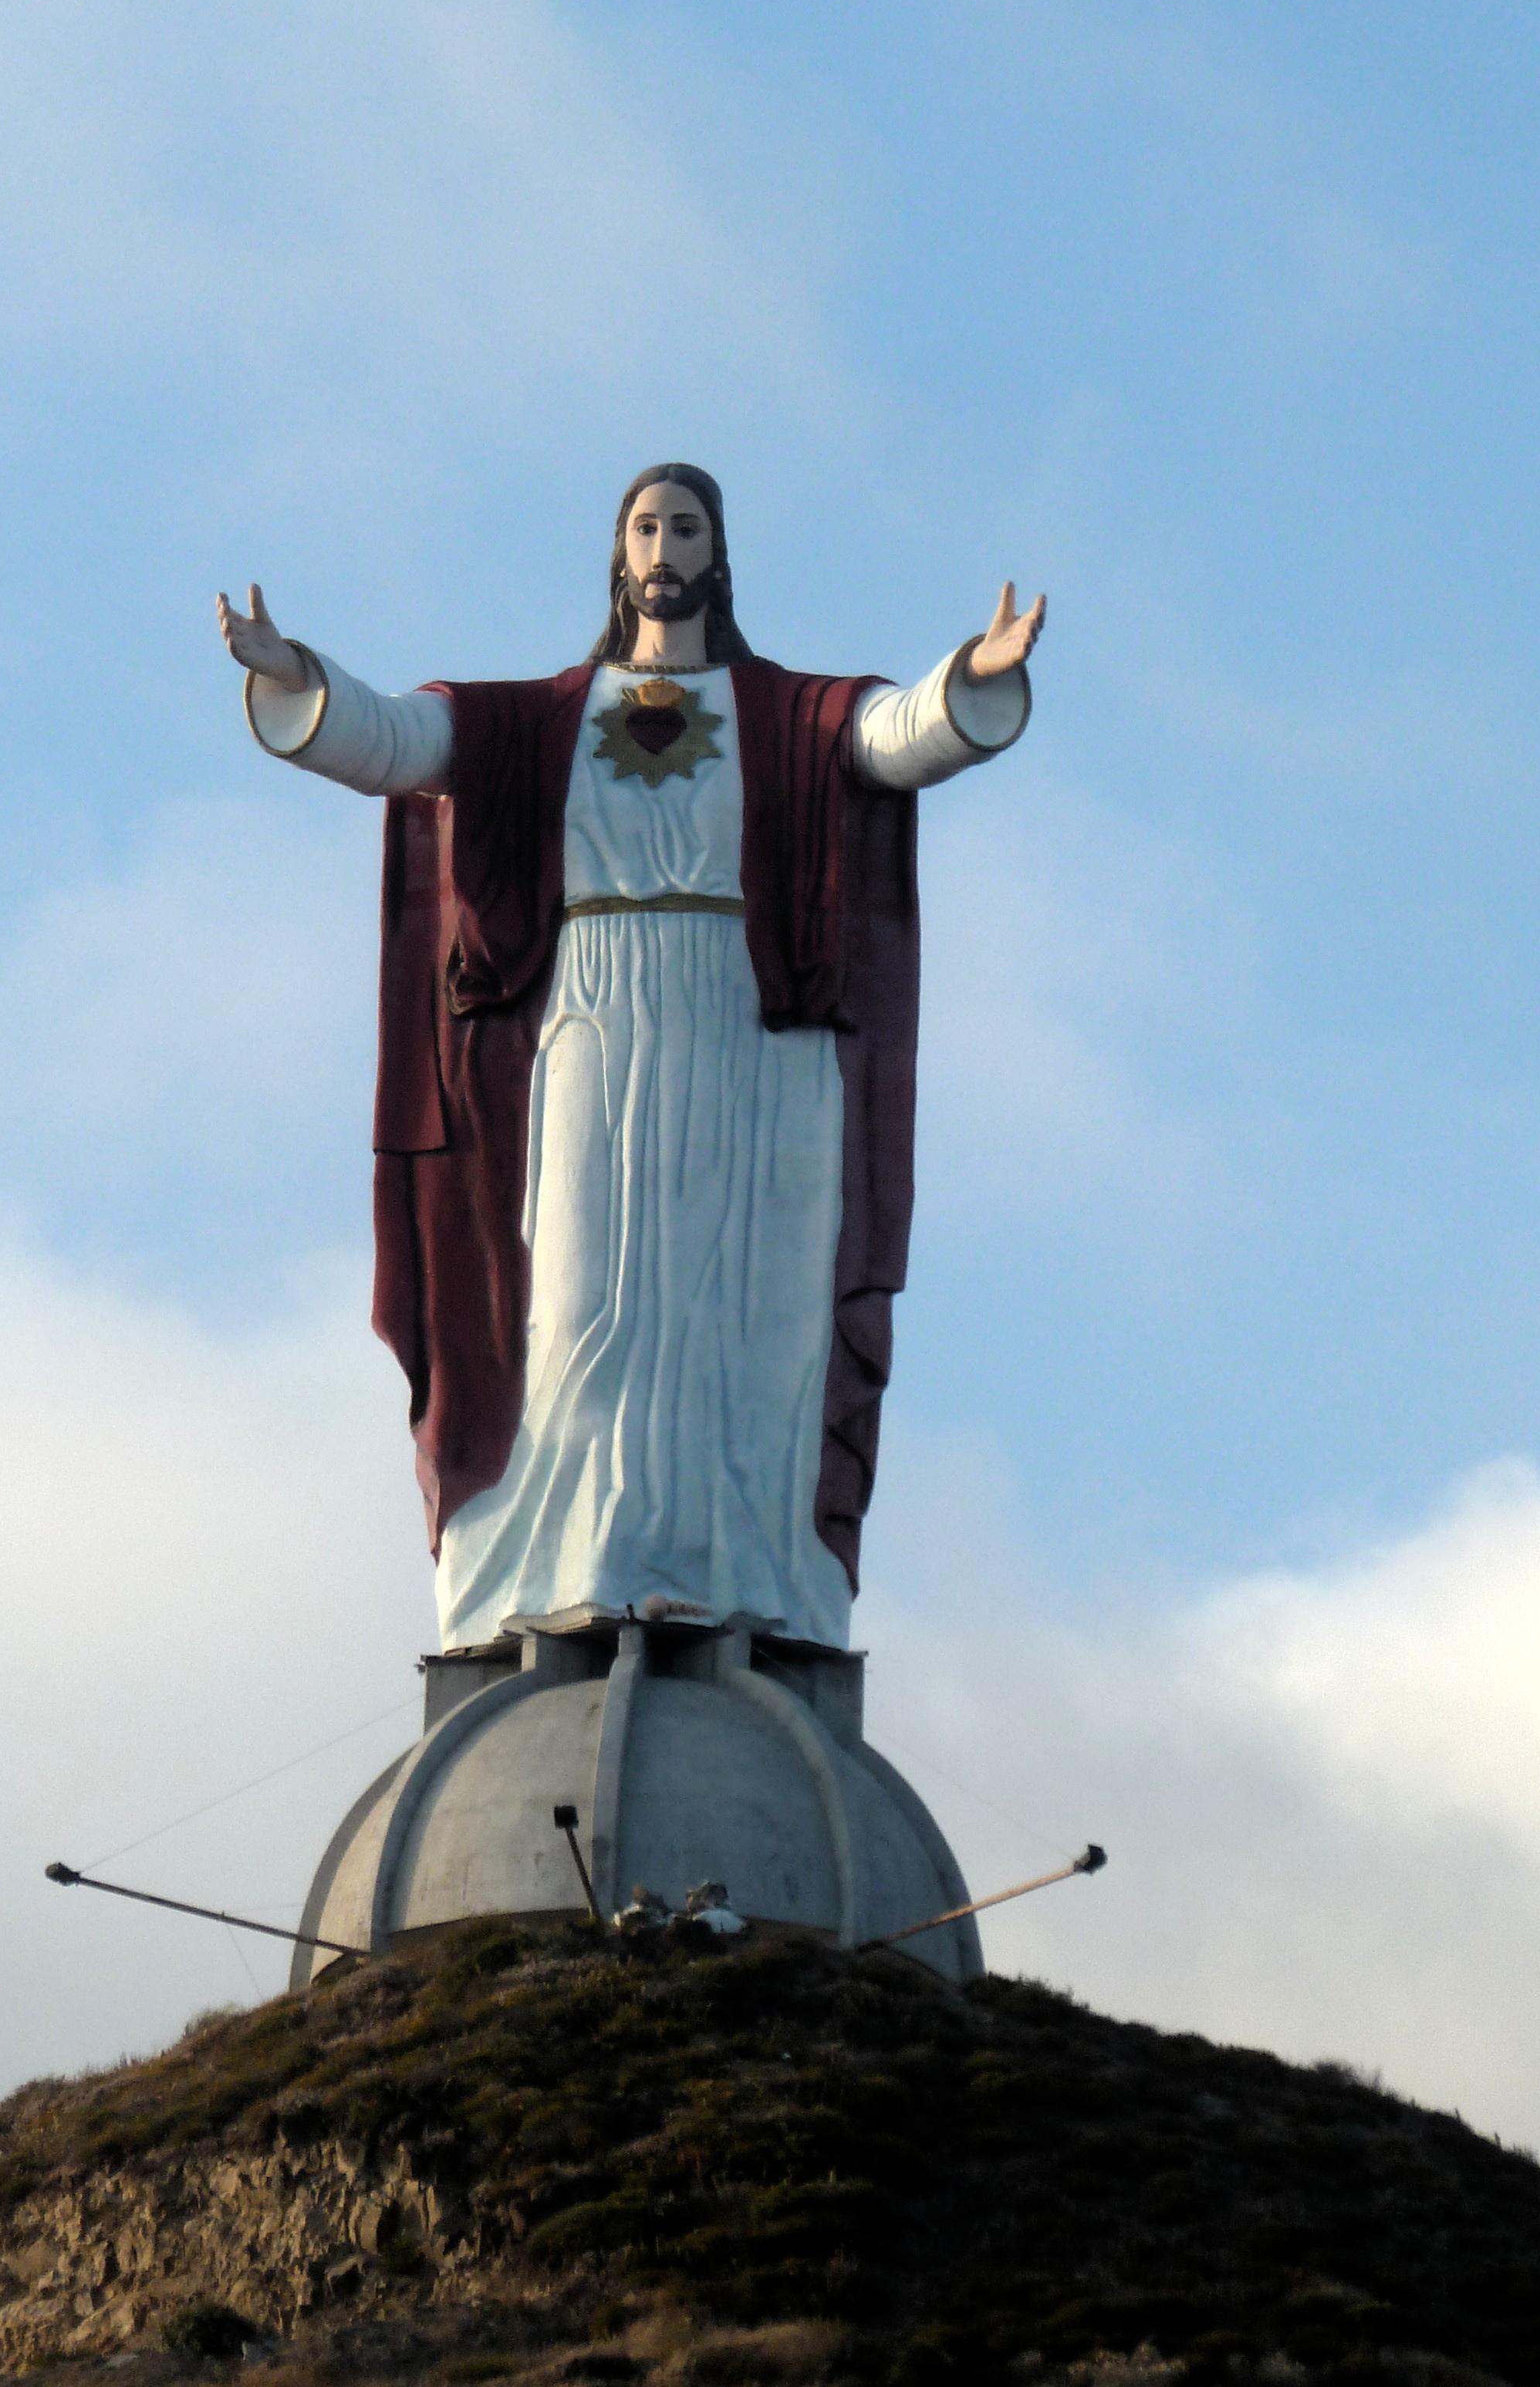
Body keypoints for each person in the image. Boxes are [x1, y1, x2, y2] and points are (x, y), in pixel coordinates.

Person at [219, 461, 1042, 1653]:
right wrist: (295, 676)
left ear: (718, 553)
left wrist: (972, 677)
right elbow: (397, 741)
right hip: (591, 1017)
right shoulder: (533, 722)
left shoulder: (794, 717)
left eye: (688, 525)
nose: (666, 544)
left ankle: (738, 1572)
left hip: (751, 1024)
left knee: (751, 1308)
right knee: (580, 1293)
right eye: (647, 525)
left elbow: (895, 736)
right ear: (619, 553)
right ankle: (580, 1556)